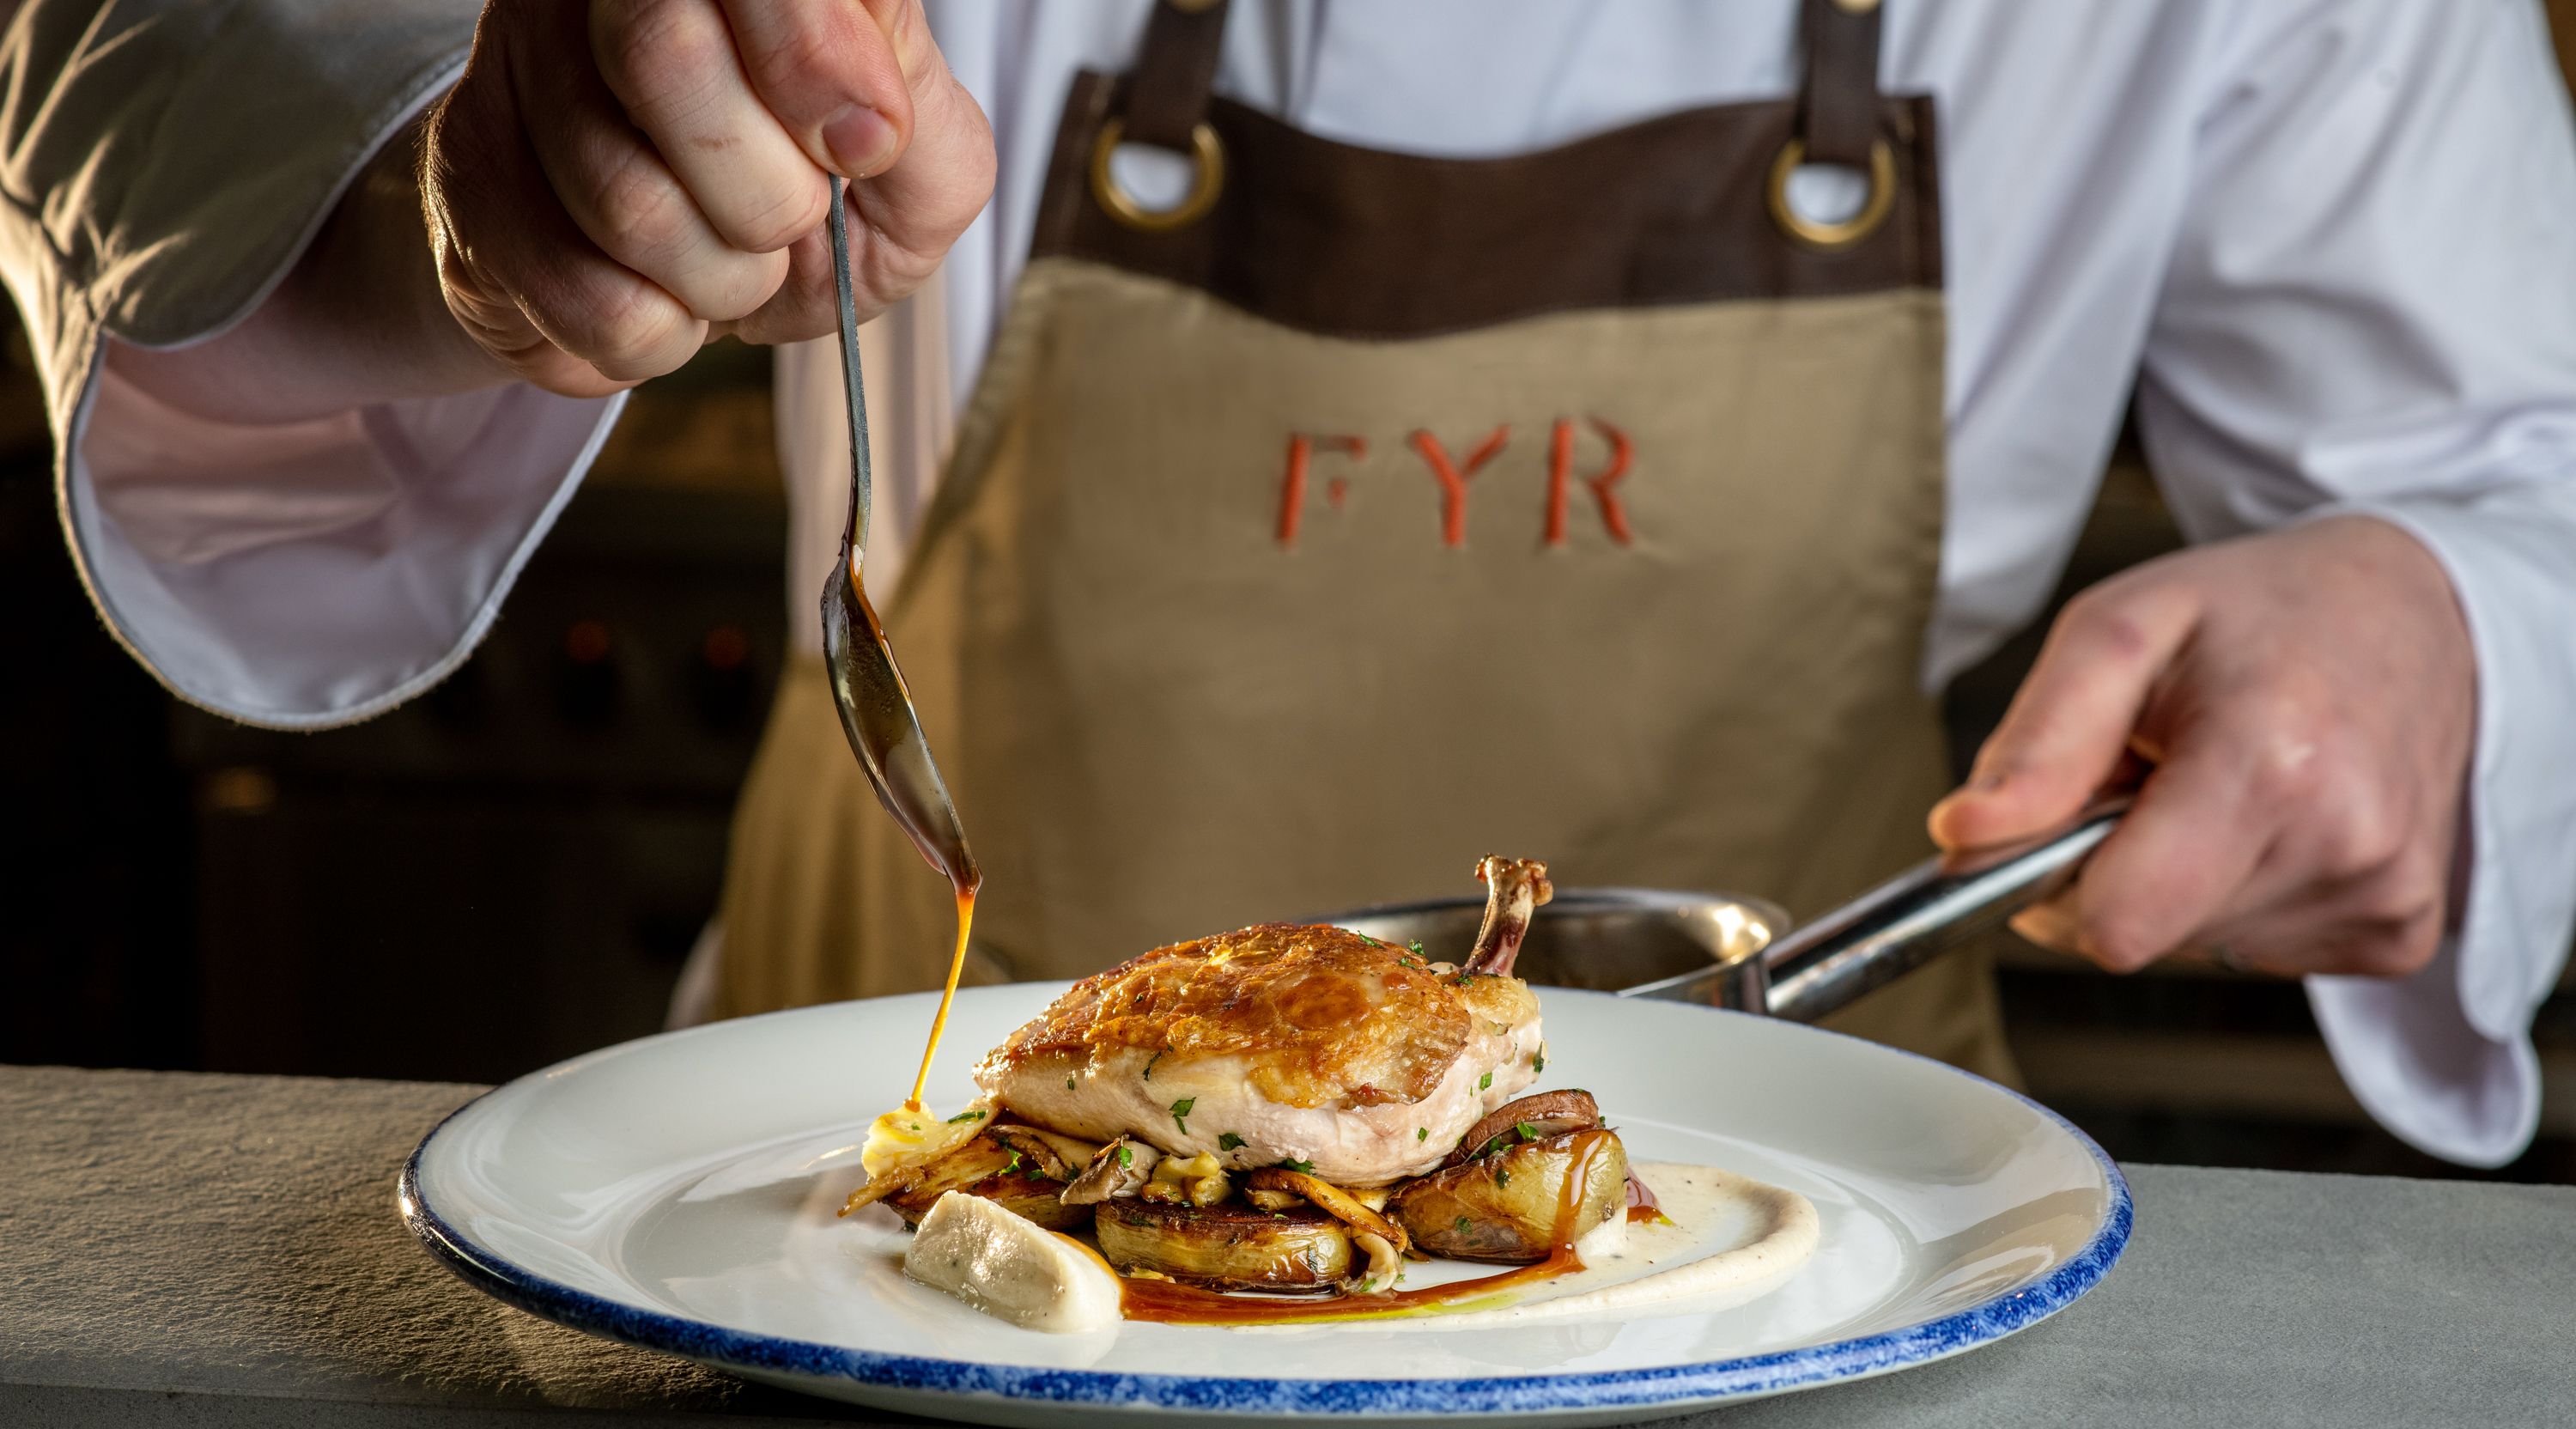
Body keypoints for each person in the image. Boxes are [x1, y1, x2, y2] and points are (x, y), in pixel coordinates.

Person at [5, 0, 2573, 1169]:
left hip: (1790, 1301)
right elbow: (160, 45)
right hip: (865, 1279)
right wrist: (475, 191)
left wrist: (2446, 635)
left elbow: (2524, 483)